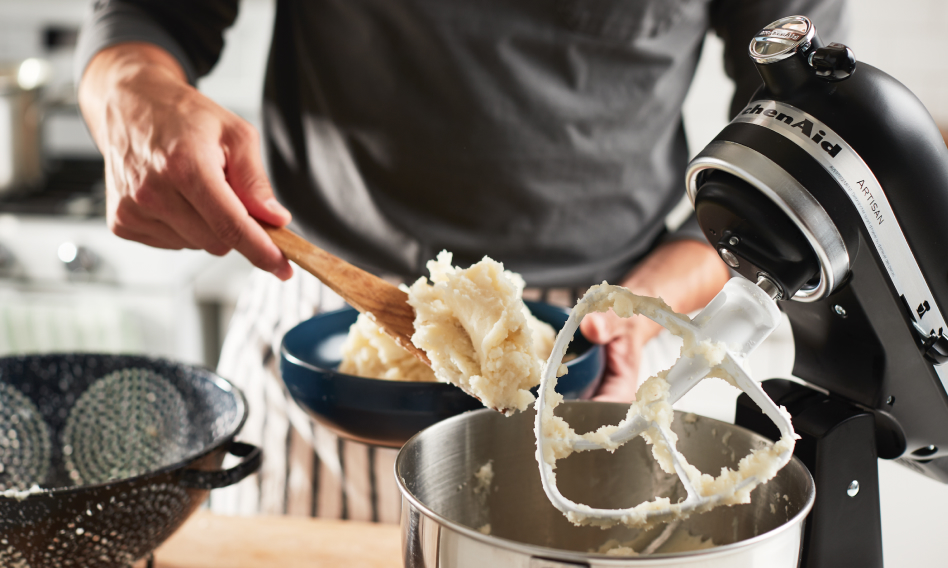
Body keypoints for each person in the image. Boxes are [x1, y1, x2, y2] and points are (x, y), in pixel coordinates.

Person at [75, 0, 848, 521]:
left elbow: (796, 131)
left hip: (606, 346)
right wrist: (128, 87)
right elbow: (148, 19)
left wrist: (654, 298)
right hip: (327, 333)